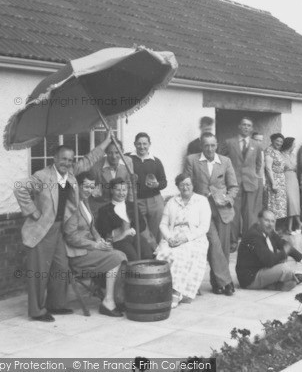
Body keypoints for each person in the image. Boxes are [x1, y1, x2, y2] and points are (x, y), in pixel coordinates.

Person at [13, 133, 111, 322]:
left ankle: (56, 305)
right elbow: (20, 188)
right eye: (63, 159)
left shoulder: (71, 173)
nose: (67, 163)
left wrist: (106, 142)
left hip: (59, 230)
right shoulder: (43, 176)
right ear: (55, 159)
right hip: (41, 230)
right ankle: (37, 311)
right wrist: (33, 211)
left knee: (61, 266)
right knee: (39, 270)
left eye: (70, 160)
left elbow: (89, 160)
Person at [64, 172, 127, 317]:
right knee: (117, 257)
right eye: (85, 186)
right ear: (77, 186)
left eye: (92, 187)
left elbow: (91, 227)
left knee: (121, 255)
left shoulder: (84, 201)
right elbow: (71, 237)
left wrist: (99, 240)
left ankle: (116, 298)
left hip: (89, 248)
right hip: (77, 254)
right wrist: (95, 245)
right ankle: (109, 301)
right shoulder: (72, 205)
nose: (89, 190)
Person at [184, 132, 239, 296]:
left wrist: (228, 198)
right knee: (214, 244)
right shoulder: (192, 160)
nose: (209, 149)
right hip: (201, 210)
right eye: (206, 145)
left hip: (222, 210)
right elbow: (186, 184)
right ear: (201, 146)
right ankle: (227, 281)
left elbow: (233, 186)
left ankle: (217, 283)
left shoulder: (225, 161)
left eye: (213, 145)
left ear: (217, 145)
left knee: (223, 248)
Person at [155, 174, 212, 308]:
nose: (185, 187)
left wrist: (185, 238)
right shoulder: (172, 202)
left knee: (181, 255)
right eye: (182, 184)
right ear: (178, 186)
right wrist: (169, 238)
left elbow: (204, 227)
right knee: (163, 255)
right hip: (173, 236)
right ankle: (164, 291)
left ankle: (176, 292)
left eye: (188, 184)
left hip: (193, 238)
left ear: (193, 186)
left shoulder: (202, 201)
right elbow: (163, 224)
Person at [236, 209, 302, 291]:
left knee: (289, 265)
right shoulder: (254, 235)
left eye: (272, 221)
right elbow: (270, 260)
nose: (270, 224)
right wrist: (285, 252)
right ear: (259, 220)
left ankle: (277, 283)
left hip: (261, 268)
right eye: (267, 221)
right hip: (250, 278)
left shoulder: (269, 231)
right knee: (284, 269)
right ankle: (286, 280)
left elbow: (283, 244)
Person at [221, 117, 264, 251]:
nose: (246, 127)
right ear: (239, 127)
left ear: (251, 129)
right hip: (233, 184)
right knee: (233, 214)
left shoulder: (256, 144)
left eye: (249, 125)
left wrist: (254, 176)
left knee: (249, 215)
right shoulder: (229, 142)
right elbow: (221, 161)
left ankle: (247, 242)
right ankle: (233, 242)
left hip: (250, 184)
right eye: (244, 125)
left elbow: (258, 164)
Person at [96, 178, 152, 261]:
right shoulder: (104, 210)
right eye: (118, 190)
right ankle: (134, 273)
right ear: (111, 191)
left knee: (147, 253)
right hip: (118, 240)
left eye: (124, 190)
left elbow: (142, 224)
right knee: (133, 257)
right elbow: (103, 231)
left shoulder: (132, 206)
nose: (121, 193)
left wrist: (133, 230)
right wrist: (123, 232)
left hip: (134, 236)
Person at [129, 132, 167, 245]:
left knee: (157, 231)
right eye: (139, 144)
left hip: (155, 200)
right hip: (137, 201)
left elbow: (164, 182)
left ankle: (158, 256)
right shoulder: (128, 159)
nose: (142, 147)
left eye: (145, 144)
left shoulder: (156, 161)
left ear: (149, 144)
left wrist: (157, 185)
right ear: (134, 144)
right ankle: (150, 255)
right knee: (142, 232)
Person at [89, 139, 134, 216]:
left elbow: (130, 184)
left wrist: (130, 205)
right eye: (110, 153)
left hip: (121, 205)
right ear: (105, 152)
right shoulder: (96, 167)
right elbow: (90, 192)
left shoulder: (128, 161)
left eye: (117, 152)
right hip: (102, 206)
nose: (114, 156)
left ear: (122, 151)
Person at [264, 133, 287, 220]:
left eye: (281, 141)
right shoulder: (269, 151)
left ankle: (275, 228)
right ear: (272, 140)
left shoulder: (278, 151)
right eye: (277, 141)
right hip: (273, 180)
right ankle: (271, 228)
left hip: (280, 180)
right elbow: (268, 168)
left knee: (279, 206)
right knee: (272, 205)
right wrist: (273, 183)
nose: (279, 143)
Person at [281, 137, 302, 233]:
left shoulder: (293, 155)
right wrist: (291, 167)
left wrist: (291, 168)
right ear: (289, 144)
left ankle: (290, 227)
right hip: (285, 178)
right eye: (293, 144)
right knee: (290, 202)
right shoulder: (280, 155)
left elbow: (295, 167)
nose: (294, 146)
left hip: (294, 179)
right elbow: (286, 167)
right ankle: (298, 223)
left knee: (295, 203)